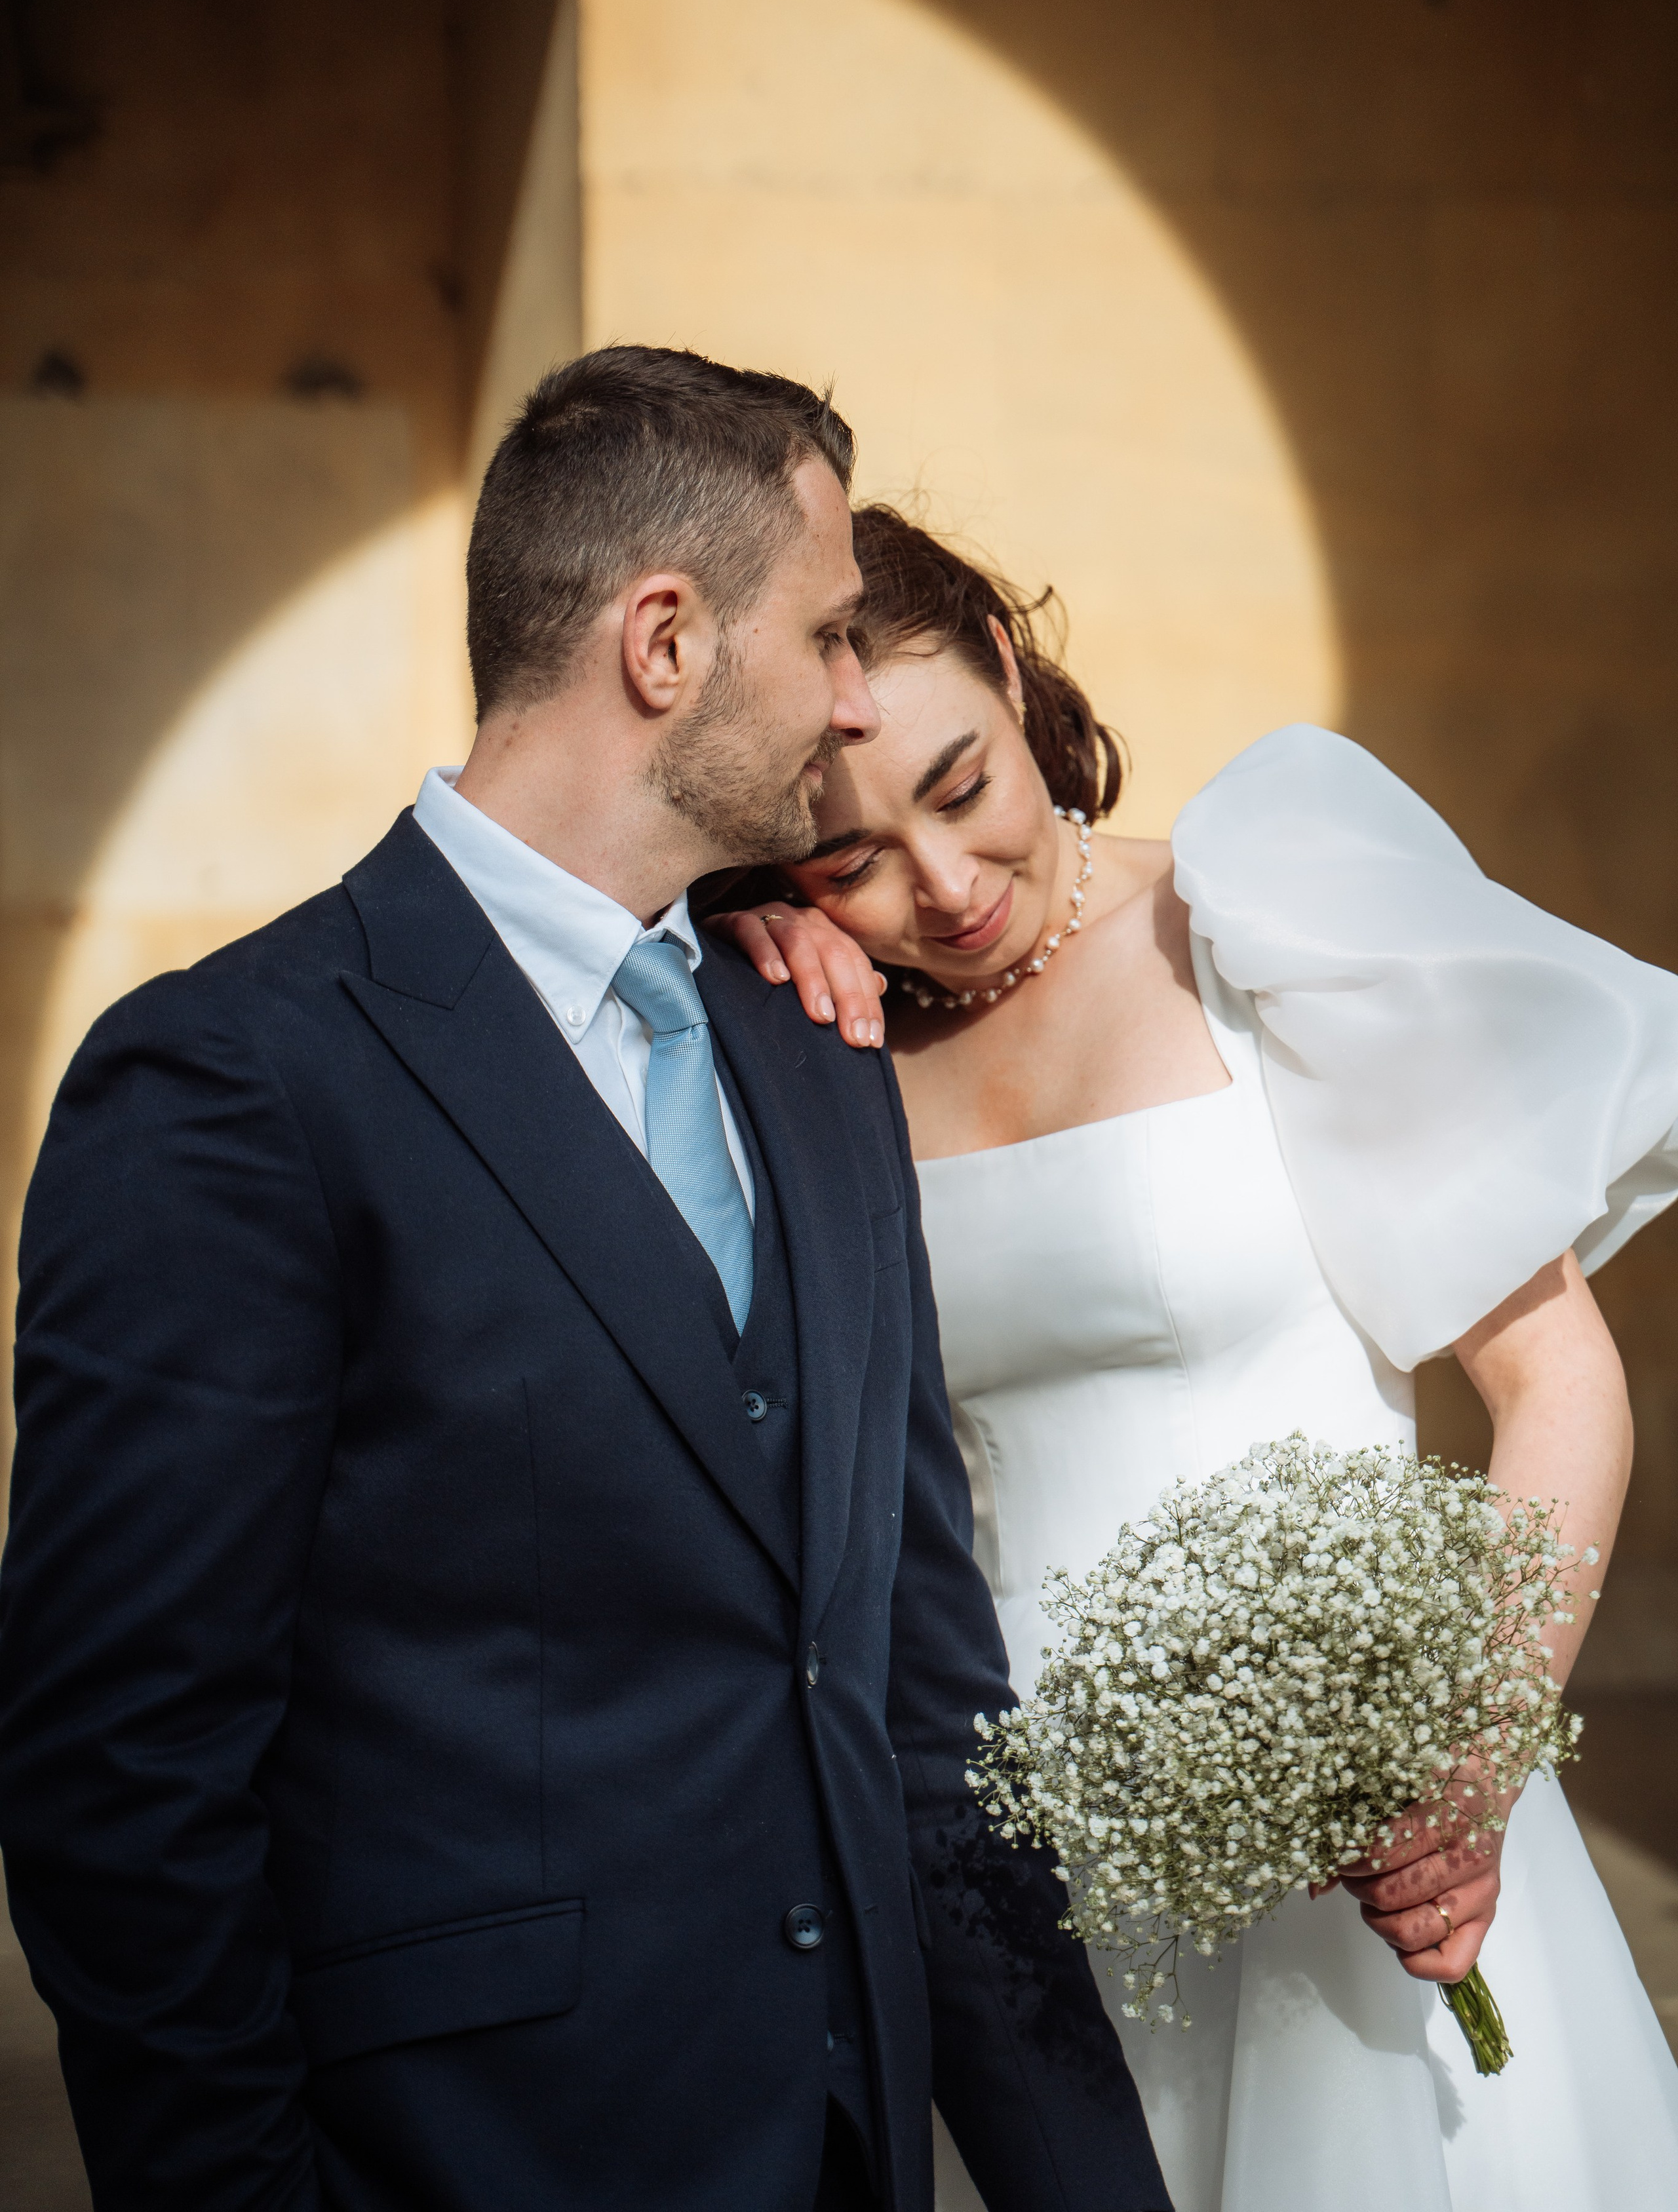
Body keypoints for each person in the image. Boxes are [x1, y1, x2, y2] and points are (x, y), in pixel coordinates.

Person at [0, 362, 1168, 2212]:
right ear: (662, 642)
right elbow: (121, 1781)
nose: (857, 698)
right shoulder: (235, 1084)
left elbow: (921, 1709)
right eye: (832, 633)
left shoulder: (814, 1045)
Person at [711, 502, 1678, 2212]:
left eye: (962, 787)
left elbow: (1558, 1384)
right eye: (850, 858)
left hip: (1365, 1832)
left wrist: (1465, 1767)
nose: (942, 890)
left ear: (1012, 671)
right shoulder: (810, 1039)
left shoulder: (1258, 925)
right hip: (1032, 1884)